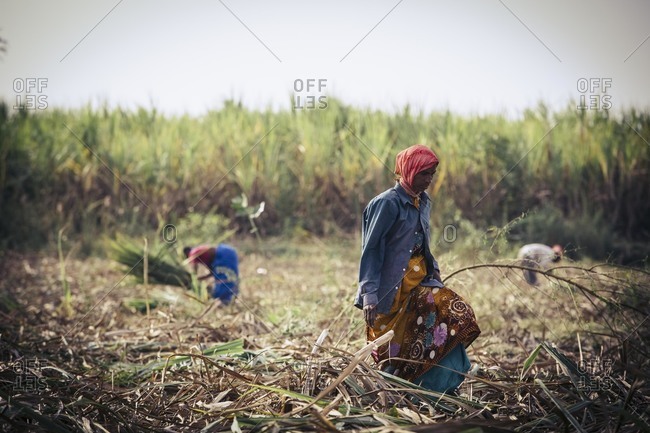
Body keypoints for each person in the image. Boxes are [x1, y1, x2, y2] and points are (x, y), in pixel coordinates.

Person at [355, 144, 481, 393]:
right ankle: (396, 391)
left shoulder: (422, 202)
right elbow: (371, 250)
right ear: (410, 171)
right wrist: (369, 294)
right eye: (425, 173)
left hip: (420, 282)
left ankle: (439, 384)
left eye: (432, 173)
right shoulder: (387, 204)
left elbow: (422, 241)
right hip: (391, 289)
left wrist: (434, 271)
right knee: (394, 347)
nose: (430, 179)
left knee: (454, 315)